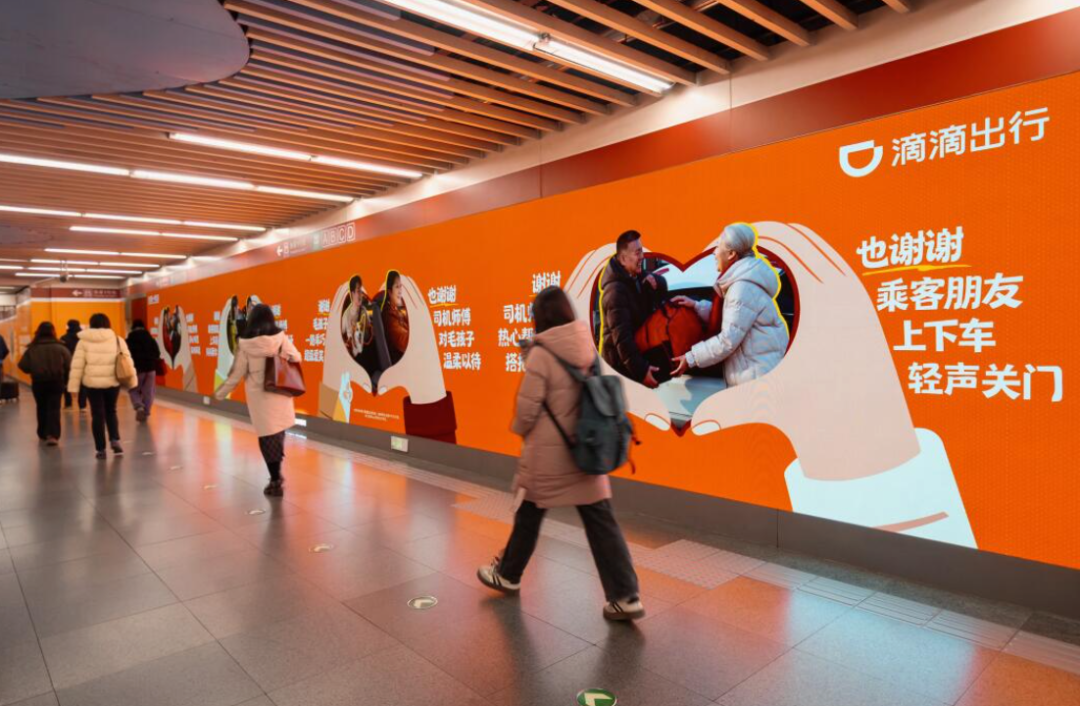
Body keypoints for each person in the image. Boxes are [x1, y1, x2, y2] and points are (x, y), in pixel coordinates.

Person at [477, 286, 645, 621]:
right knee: (601, 522)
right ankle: (626, 596)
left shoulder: (541, 354)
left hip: (550, 457)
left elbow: (527, 412)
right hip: (588, 449)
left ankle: (508, 574)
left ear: (541, 318)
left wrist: (518, 427)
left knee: (529, 513)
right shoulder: (586, 346)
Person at [672, 223, 789, 384]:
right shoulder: (744, 281)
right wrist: (697, 306)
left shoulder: (742, 288)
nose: (714, 252)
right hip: (759, 372)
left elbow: (727, 340)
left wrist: (691, 358)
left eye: (718, 246)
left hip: (754, 379)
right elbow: (732, 316)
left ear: (731, 254)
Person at [214, 304, 301, 496]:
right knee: (277, 434)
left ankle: (275, 478)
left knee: (266, 437)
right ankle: (276, 475)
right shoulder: (280, 338)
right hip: (280, 392)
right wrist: (279, 356)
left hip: (260, 399)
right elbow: (297, 357)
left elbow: (236, 374)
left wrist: (220, 393)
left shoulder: (245, 344)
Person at [599, 230, 668, 388]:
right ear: (623, 259)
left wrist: (654, 280)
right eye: (637, 253)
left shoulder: (635, 277)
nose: (642, 257)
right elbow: (623, 339)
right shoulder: (615, 292)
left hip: (632, 365)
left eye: (642, 251)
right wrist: (642, 372)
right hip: (619, 373)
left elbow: (663, 290)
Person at [68, 313, 134, 459]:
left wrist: (73, 387)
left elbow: (77, 365)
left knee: (97, 414)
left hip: (92, 384)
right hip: (112, 382)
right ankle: (115, 440)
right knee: (111, 411)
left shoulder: (83, 342)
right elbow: (127, 361)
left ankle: (100, 449)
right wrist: (132, 382)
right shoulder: (117, 339)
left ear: (91, 324)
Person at [17, 322, 71, 446]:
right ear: (53, 332)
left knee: (41, 407)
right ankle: (53, 435)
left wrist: (33, 370)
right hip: (56, 382)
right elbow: (69, 365)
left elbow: (22, 365)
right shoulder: (61, 347)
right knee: (54, 408)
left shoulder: (32, 348)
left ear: (38, 332)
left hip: (38, 382)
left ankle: (42, 433)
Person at [126, 319, 162, 422]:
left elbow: (126, 355)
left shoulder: (129, 340)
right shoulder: (150, 339)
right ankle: (146, 412)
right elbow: (157, 353)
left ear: (133, 328)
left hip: (137, 369)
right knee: (148, 392)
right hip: (151, 369)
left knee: (134, 389)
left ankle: (139, 407)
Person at [381, 270, 410, 364]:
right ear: (390, 292)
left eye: (401, 286)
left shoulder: (398, 310)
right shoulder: (389, 315)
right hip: (402, 364)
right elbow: (405, 342)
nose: (400, 291)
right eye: (397, 287)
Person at [342, 275, 372, 359]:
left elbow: (369, 333)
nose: (361, 295)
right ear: (352, 294)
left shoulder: (364, 311)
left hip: (365, 355)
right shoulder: (346, 315)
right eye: (358, 291)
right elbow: (339, 337)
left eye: (361, 291)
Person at [60, 319, 87, 411]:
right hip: (82, 363)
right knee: (82, 386)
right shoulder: (83, 337)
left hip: (68, 364)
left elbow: (62, 353)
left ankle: (68, 404)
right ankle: (82, 406)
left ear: (68, 326)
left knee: (67, 384)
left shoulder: (64, 338)